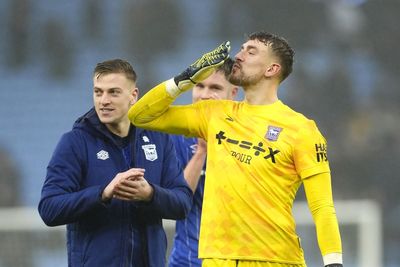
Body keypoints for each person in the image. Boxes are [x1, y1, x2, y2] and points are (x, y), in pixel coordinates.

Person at [128, 31, 343, 267]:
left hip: (275, 259)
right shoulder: (215, 114)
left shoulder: (301, 130)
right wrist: (186, 78)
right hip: (216, 259)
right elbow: (140, 116)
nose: (239, 55)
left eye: (251, 52)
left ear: (271, 69)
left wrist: (333, 263)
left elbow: (322, 206)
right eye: (241, 49)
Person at [38, 59, 192, 267]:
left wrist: (150, 195)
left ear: (133, 96)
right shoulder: (75, 142)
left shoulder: (159, 139)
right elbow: (49, 208)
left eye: (113, 92)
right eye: (98, 92)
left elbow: (182, 203)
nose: (103, 101)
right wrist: (102, 194)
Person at [168, 59, 239, 267]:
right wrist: (202, 151)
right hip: (189, 260)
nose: (205, 94)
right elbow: (176, 202)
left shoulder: (249, 135)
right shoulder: (175, 134)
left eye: (215, 88)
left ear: (233, 93)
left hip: (239, 258)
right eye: (199, 86)